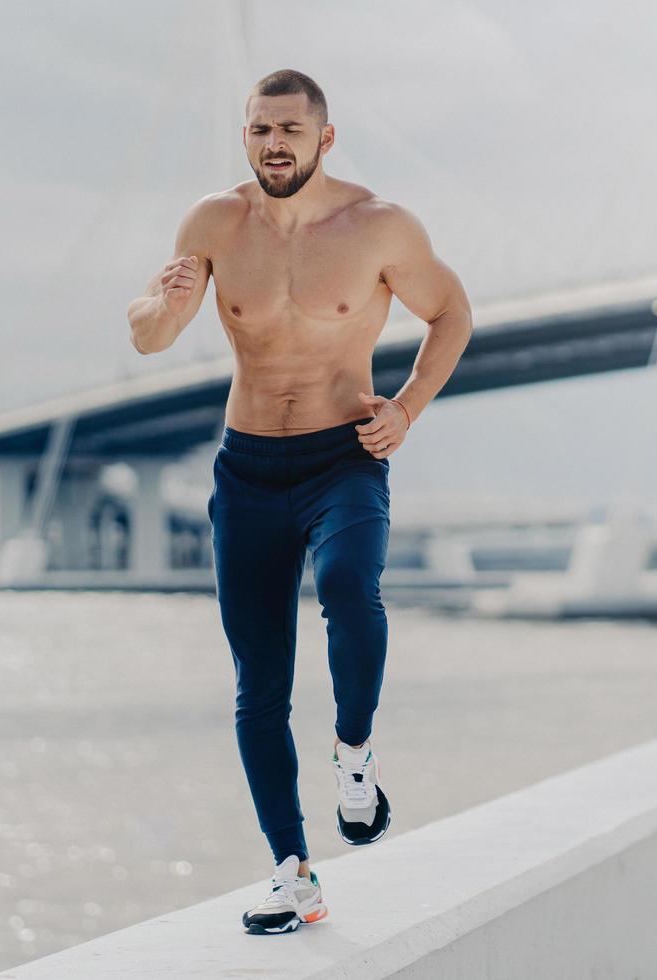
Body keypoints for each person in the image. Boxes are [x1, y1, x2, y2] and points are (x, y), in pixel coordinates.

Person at [126, 68, 472, 935]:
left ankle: (354, 755)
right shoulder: (214, 222)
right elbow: (149, 333)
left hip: (341, 458)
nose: (272, 143)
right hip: (246, 472)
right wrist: (161, 307)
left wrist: (406, 408)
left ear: (324, 137)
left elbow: (453, 312)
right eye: (257, 129)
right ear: (245, 137)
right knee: (258, 686)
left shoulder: (379, 226)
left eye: (288, 129)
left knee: (353, 590)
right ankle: (293, 872)